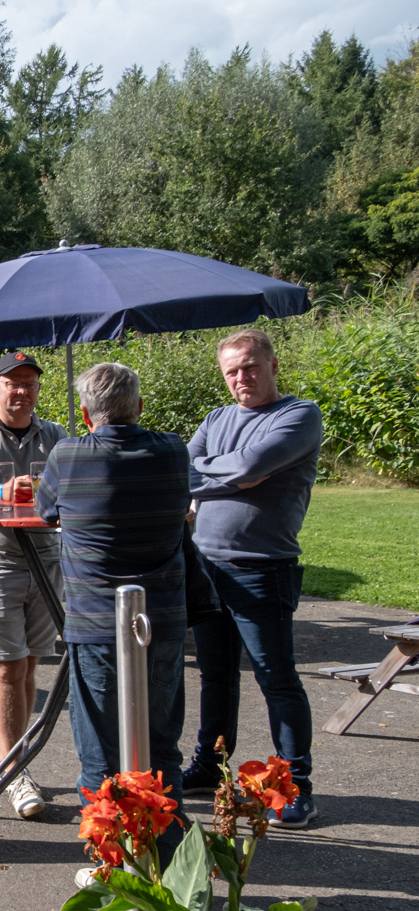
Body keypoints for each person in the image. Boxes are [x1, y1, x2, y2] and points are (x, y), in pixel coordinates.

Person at [34, 362, 191, 863]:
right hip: (161, 617)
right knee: (162, 741)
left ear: (84, 414)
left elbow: (46, 509)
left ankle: (110, 854)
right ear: (140, 407)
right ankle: (166, 851)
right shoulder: (172, 451)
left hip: (96, 619)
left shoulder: (69, 454)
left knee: (99, 746)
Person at [183, 328, 324, 828]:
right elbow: (187, 469)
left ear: (272, 365)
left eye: (250, 366)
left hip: (264, 568)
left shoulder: (298, 415)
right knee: (215, 675)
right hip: (206, 566)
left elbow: (251, 466)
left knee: (276, 678)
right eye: (232, 371)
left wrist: (223, 472)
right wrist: (231, 473)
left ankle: (296, 785)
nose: (241, 377)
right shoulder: (217, 417)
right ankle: (207, 767)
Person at [0, 351, 66, 819]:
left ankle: (14, 757)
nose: (21, 390)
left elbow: (68, 492)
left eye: (29, 383)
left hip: (46, 558)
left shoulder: (57, 436)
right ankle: (12, 771)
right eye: (13, 383)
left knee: (28, 667)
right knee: (4, 668)